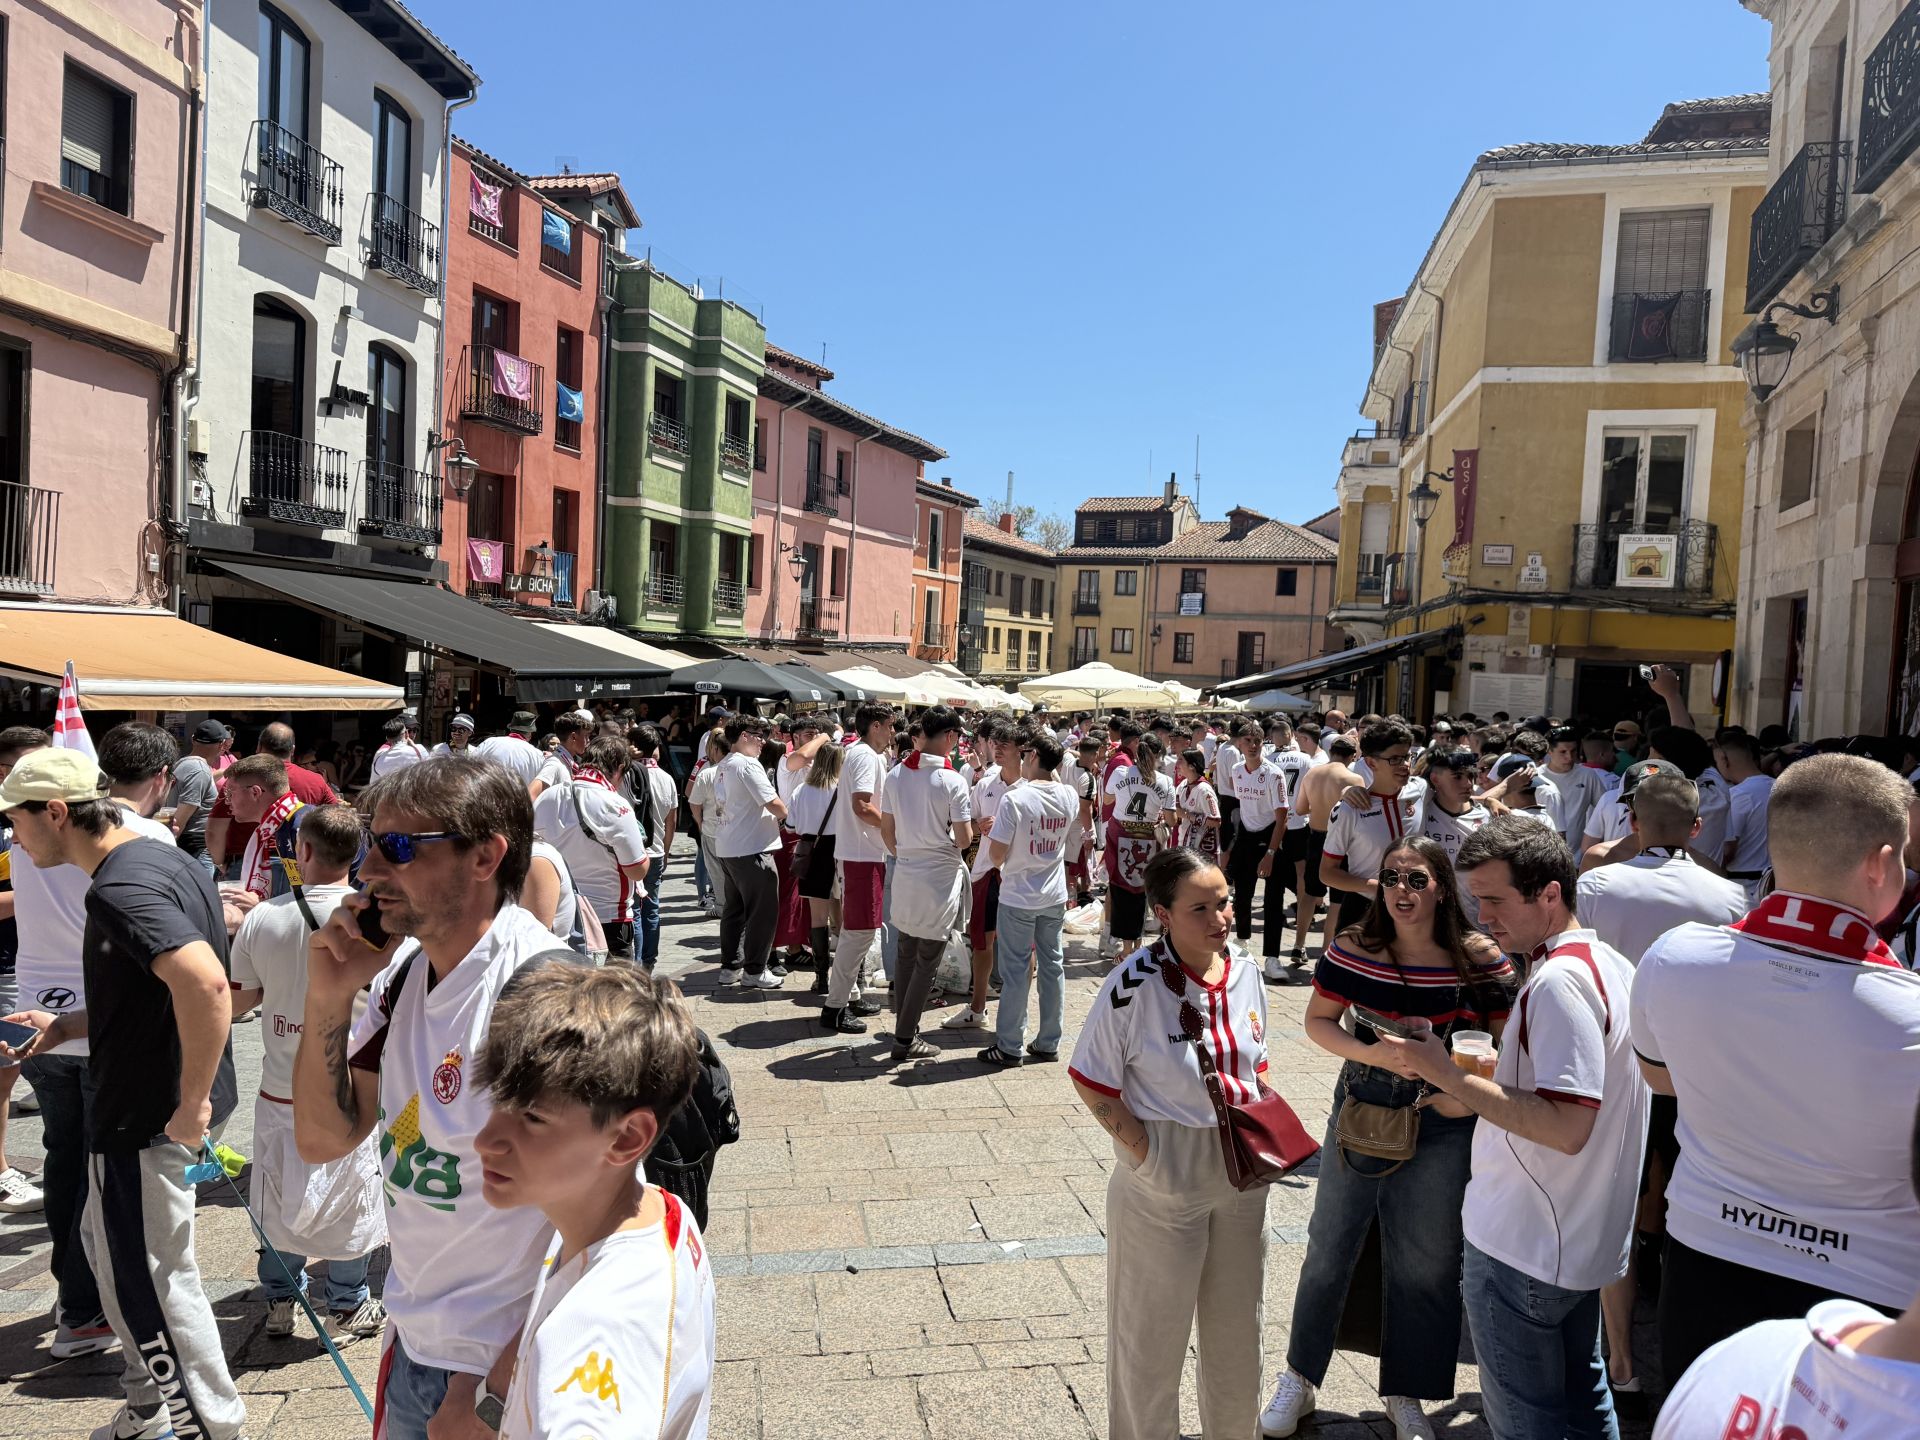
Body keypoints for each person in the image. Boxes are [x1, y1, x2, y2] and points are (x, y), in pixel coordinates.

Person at [291, 758, 567, 1440]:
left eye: (399, 847)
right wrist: (329, 993)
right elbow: (323, 1140)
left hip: (503, 1371)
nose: (367, 871)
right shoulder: (404, 976)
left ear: (485, 857)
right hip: (413, 1345)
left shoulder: (544, 998)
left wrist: (492, 1393)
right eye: (370, 843)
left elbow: (610, 1221)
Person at [1633, 753, 1920, 1385]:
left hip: (1706, 1255)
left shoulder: (1676, 957)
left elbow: (1662, 1080)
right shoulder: (1911, 1013)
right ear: (1880, 864)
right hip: (1867, 1292)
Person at [1376, 816, 1648, 1440]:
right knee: (1585, 1399)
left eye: (1496, 900)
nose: (1484, 916)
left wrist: (1445, 1073)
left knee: (1529, 1423)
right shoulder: (1608, 963)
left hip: (1527, 1243)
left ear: (1550, 893)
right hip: (1576, 1236)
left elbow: (1568, 1125)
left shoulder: (1558, 982)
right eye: (1477, 899)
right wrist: (1498, 1075)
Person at [2, 748, 245, 1440]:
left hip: (145, 1116)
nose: (13, 837)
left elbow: (207, 985)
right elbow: (156, 991)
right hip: (140, 1107)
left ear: (56, 812)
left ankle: (207, 1427)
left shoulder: (118, 886)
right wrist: (67, 1027)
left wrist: (193, 1104)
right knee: (115, 1259)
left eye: (16, 820)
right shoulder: (159, 858)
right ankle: (149, 1409)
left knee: (149, 1284)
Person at [1263, 837, 1513, 1440]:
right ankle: (1299, 1376)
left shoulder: (1479, 958)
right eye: (1393, 877)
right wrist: (1373, 1053)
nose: (1402, 890)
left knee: (1427, 1258)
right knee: (1330, 1243)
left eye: (1417, 880)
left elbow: (1506, 1044)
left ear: (1442, 889)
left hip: (1444, 1116)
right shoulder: (1355, 947)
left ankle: (1407, 1392)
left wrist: (1464, 1090)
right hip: (1364, 1101)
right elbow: (1318, 1021)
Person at [1069, 849, 1271, 1440]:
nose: (1221, 918)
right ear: (1163, 914)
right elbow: (1091, 1078)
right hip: (1165, 1170)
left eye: (1225, 902)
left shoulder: (1246, 969)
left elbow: (1258, 1061)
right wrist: (1147, 1155)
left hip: (1240, 1167)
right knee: (1150, 1340)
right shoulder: (1133, 982)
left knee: (1239, 1334)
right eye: (1200, 908)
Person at [473, 963, 715, 1440]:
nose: (486, 1140)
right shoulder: (664, 1212)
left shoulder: (594, 1330)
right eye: (497, 1104)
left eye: (533, 1118)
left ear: (628, 1138)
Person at [1573, 762, 1747, 1406]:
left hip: (1612, 1065)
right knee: (1685, 1206)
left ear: (1633, 821)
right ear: (1697, 827)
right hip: (1693, 1072)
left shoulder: (1598, 883)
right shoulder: (1730, 898)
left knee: (1614, 1204)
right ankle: (1690, 1354)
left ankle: (1620, 1362)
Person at [1655, 1094, 1920, 1439]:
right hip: (1868, 1268)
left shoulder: (1728, 1367)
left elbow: (1658, 1078)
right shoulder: (1732, 1366)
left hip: (1711, 1241)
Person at [228, 803, 385, 1342]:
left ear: (303, 850)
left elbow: (239, 1000)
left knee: (275, 1191)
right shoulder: (374, 922)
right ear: (357, 854)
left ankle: (280, 1298)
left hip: (280, 1085)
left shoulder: (263, 918)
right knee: (352, 1191)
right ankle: (347, 1301)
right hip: (351, 1083)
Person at [878, 706, 973, 1062]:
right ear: (949, 736)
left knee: (906, 952)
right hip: (938, 877)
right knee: (926, 960)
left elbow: (887, 831)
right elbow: (964, 839)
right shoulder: (952, 780)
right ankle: (905, 1037)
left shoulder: (897, 774)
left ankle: (905, 1030)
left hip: (906, 870)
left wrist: (907, 853)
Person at [979, 730, 1076, 1068]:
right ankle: (1049, 1041)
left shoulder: (1015, 799)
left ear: (1032, 756)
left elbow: (996, 855)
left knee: (1017, 971)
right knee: (1052, 966)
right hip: (1053, 893)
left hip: (1019, 894)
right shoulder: (1068, 794)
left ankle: (1009, 1045)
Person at [532, 735, 649, 965]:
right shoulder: (615, 805)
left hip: (561, 917)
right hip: (608, 919)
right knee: (613, 988)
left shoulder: (547, 797)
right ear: (620, 768)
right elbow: (636, 870)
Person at [824, 704, 894, 1033]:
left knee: (857, 930)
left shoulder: (859, 753)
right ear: (875, 726)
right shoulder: (865, 756)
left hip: (860, 852)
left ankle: (848, 996)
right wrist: (894, 829)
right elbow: (862, 805)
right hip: (861, 854)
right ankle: (835, 1005)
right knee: (859, 932)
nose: (893, 733)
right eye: (890, 726)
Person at [948, 718, 1020, 1030]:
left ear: (1022, 750)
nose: (997, 749)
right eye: (995, 743)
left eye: (1005, 744)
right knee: (982, 942)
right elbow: (968, 826)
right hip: (986, 871)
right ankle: (977, 1008)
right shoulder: (985, 785)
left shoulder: (1030, 788)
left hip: (1017, 874)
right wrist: (979, 826)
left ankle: (1016, 1014)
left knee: (1021, 946)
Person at [711, 715, 787, 988]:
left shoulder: (723, 765)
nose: (763, 741)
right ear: (744, 735)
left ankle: (730, 967)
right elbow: (774, 804)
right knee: (762, 913)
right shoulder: (747, 764)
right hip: (753, 848)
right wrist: (787, 814)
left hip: (729, 846)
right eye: (758, 736)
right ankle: (755, 970)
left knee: (735, 911)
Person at [1321, 721, 1415, 932]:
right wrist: (1376, 887)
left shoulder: (1421, 790)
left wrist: (1489, 800)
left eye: (1408, 756)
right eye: (1395, 759)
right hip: (1365, 910)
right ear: (1371, 763)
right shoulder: (1349, 809)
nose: (1405, 765)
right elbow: (1327, 873)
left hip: (1414, 909)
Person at [1105, 732, 1177, 960]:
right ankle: (1137, 944)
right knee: (1143, 889)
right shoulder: (1165, 781)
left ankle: (1125, 945)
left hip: (1120, 835)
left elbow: (1107, 799)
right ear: (1158, 755)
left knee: (1120, 889)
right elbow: (1172, 819)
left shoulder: (1120, 772)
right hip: (1148, 837)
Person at [1299, 735, 1364, 955]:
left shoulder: (1312, 773)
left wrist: (1319, 807)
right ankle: (1326, 952)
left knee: (1309, 894)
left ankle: (1298, 944)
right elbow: (1361, 816)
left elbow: (1300, 809)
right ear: (1352, 756)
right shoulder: (1354, 779)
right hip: (1341, 842)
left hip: (1315, 836)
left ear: (1331, 751)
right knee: (1337, 900)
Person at [628, 724, 680, 970]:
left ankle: (638, 962)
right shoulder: (667, 778)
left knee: (635, 910)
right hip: (657, 850)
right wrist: (666, 850)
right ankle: (649, 961)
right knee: (651, 907)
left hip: (632, 853)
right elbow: (672, 821)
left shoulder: (627, 775)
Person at [1717, 729, 1774, 891]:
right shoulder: (1780, 786)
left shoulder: (1738, 795)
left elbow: (1728, 850)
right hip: (1773, 883)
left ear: (1724, 759)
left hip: (1742, 886)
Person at [168, 720, 227, 875]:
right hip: (195, 851)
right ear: (221, 745)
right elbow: (180, 820)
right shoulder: (199, 771)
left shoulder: (183, 764)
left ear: (193, 739)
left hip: (189, 849)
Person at [687, 732, 729, 920]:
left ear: (716, 748)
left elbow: (693, 801)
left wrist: (700, 822)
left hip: (712, 829)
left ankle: (721, 906)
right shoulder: (743, 770)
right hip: (734, 830)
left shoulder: (707, 773)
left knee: (716, 871)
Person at [473, 711, 546, 786]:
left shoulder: (489, 743)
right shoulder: (537, 755)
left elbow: (470, 764)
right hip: (519, 793)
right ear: (530, 734)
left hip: (487, 791)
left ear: (511, 729)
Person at [527, 713, 590, 800]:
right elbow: (530, 795)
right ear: (574, 737)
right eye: (586, 736)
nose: (588, 740)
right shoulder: (555, 764)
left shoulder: (565, 762)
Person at [1173, 747, 1221, 860]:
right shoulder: (1183, 785)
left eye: (1181, 760)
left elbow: (1215, 821)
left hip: (1202, 850)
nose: (1177, 763)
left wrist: (1187, 815)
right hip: (1184, 845)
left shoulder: (1204, 790)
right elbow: (1177, 809)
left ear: (1191, 766)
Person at [369, 714, 429, 781]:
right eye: (408, 730)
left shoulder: (416, 749)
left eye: (415, 730)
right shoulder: (383, 751)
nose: (412, 734)